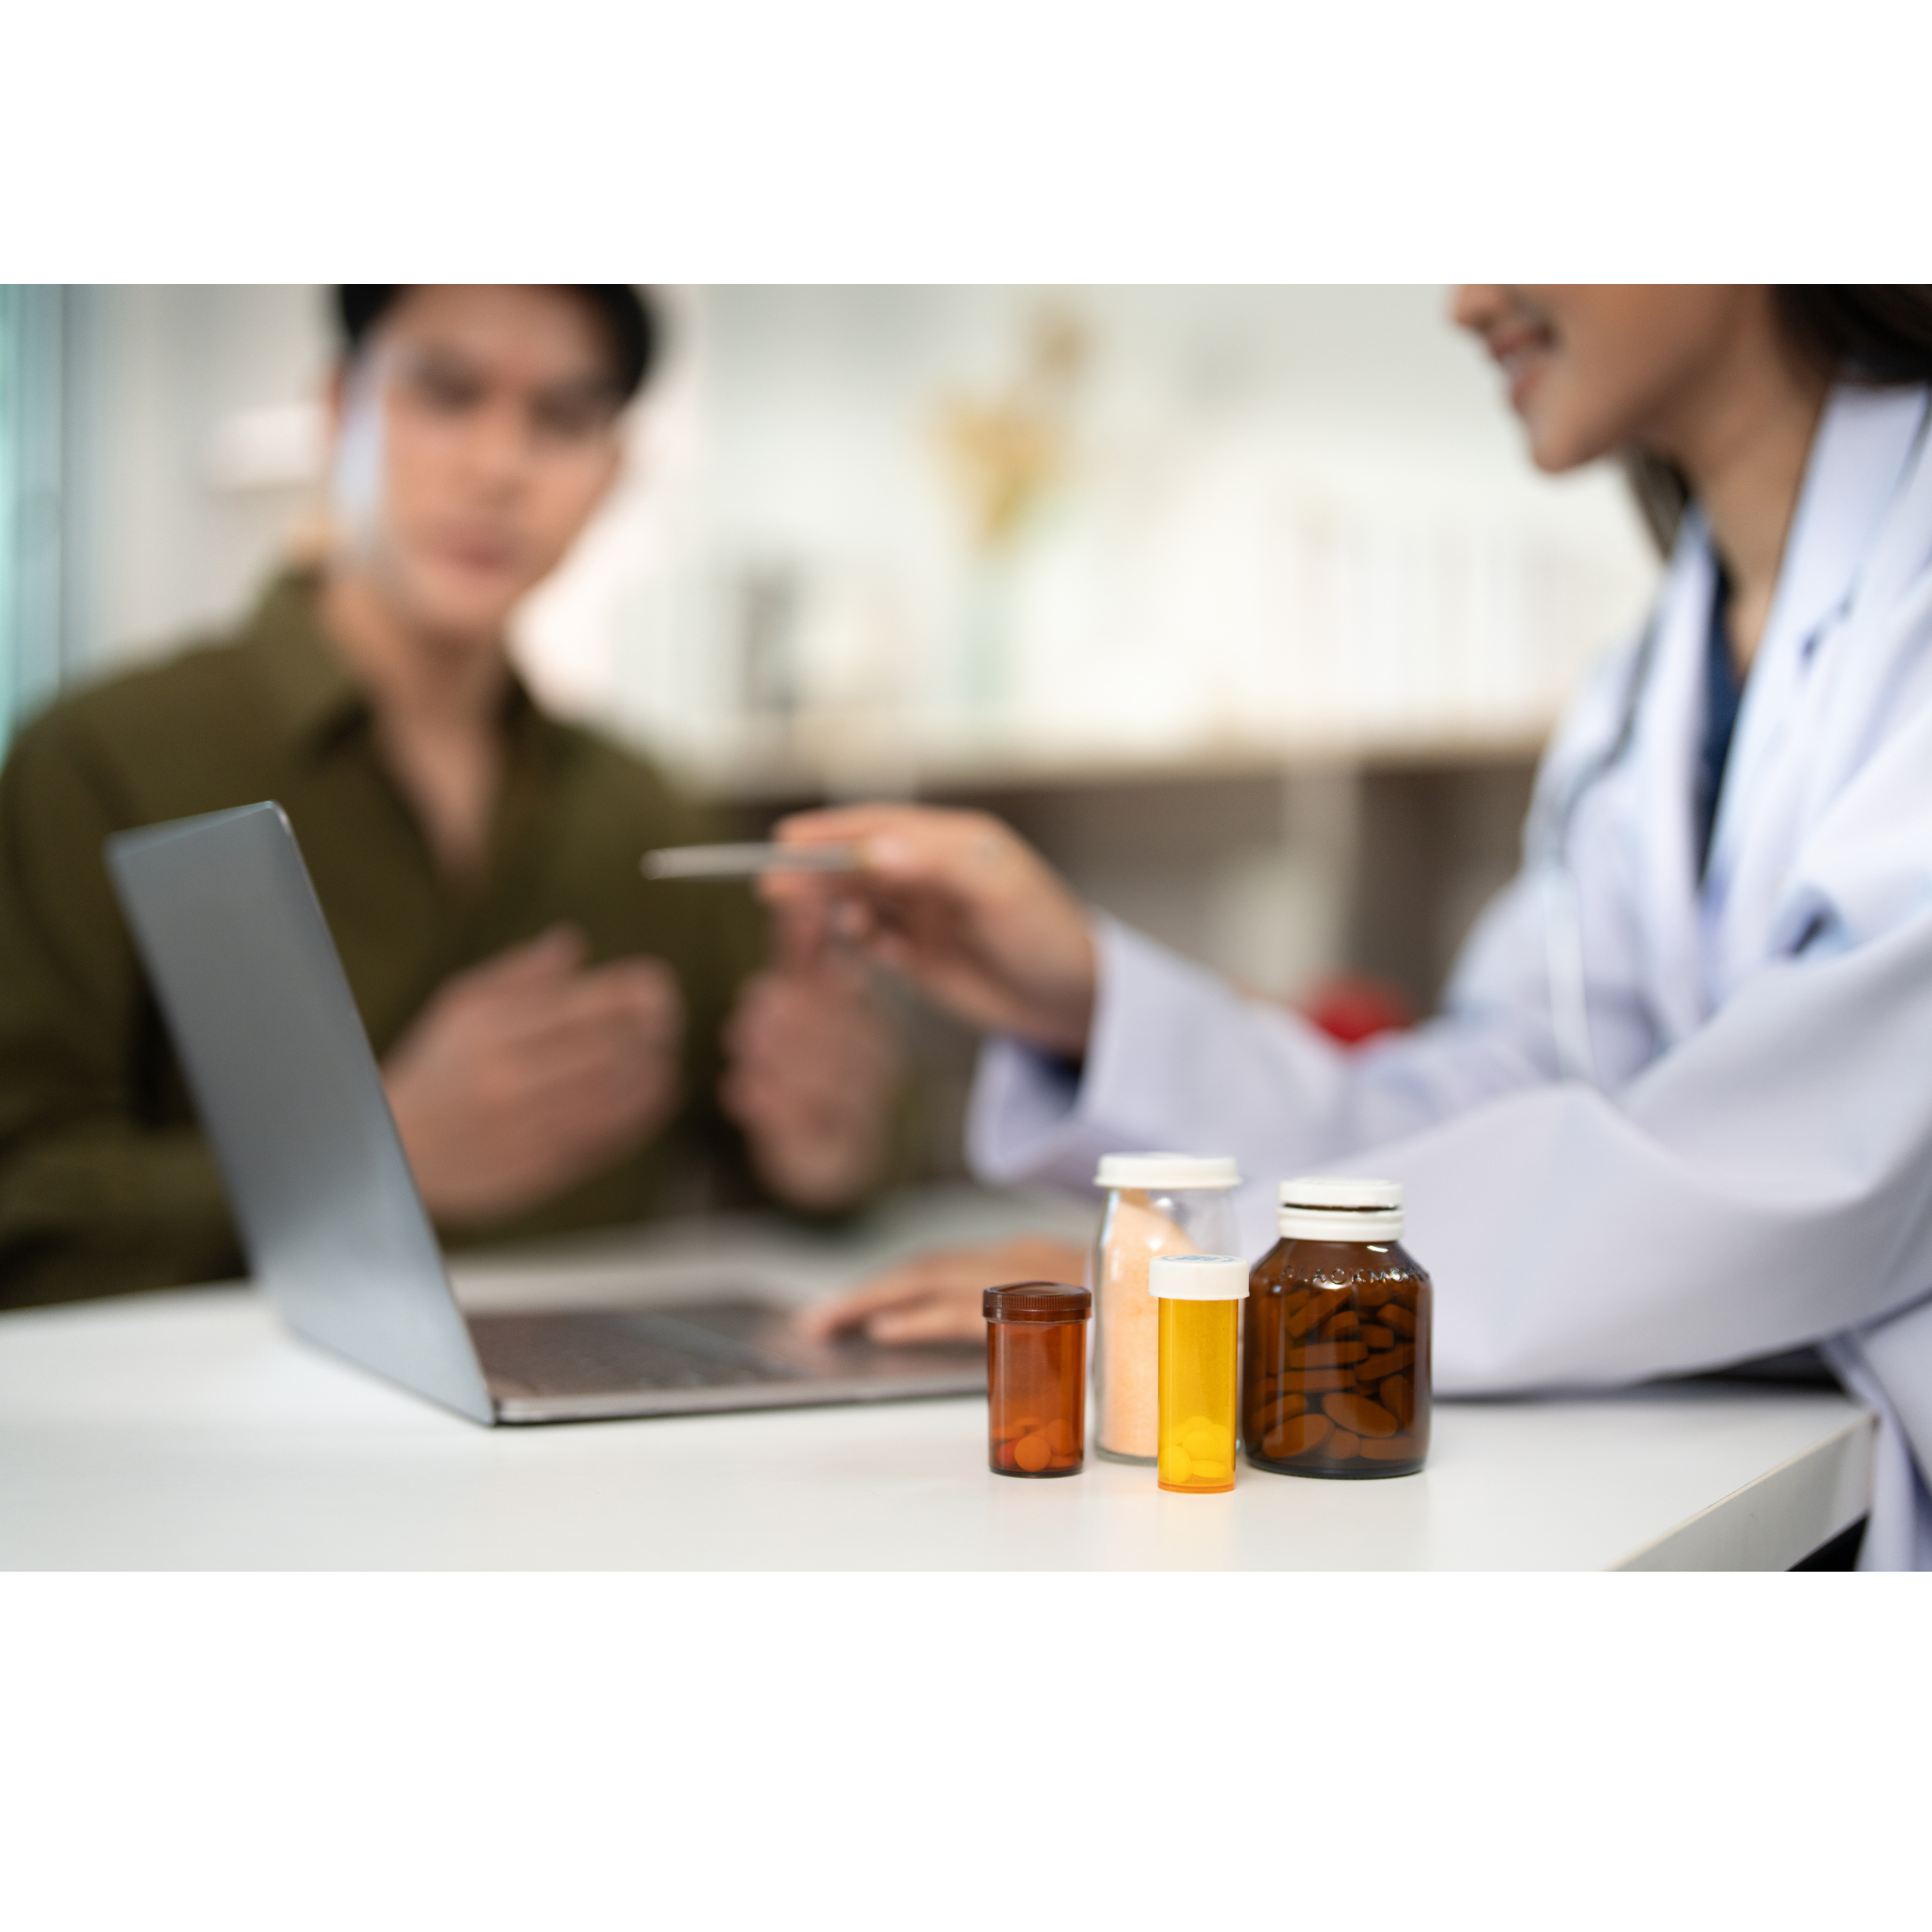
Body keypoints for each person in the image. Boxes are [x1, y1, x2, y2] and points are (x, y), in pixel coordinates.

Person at [774, 287, 1932, 1571]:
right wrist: (1089, 999)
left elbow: (1806, 1165)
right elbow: (1512, 1091)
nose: (1467, 297)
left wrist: (1201, 1294)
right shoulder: (1653, 679)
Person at [0, 284, 902, 1309]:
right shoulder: (102, 758)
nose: (497, 467)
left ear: (611, 471)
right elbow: (22, 1211)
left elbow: (831, 1160)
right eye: (444, 393)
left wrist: (830, 1143)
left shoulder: (649, 813)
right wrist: (373, 1151)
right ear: (339, 409)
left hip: (598, 1450)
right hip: (210, 1446)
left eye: (562, 418)